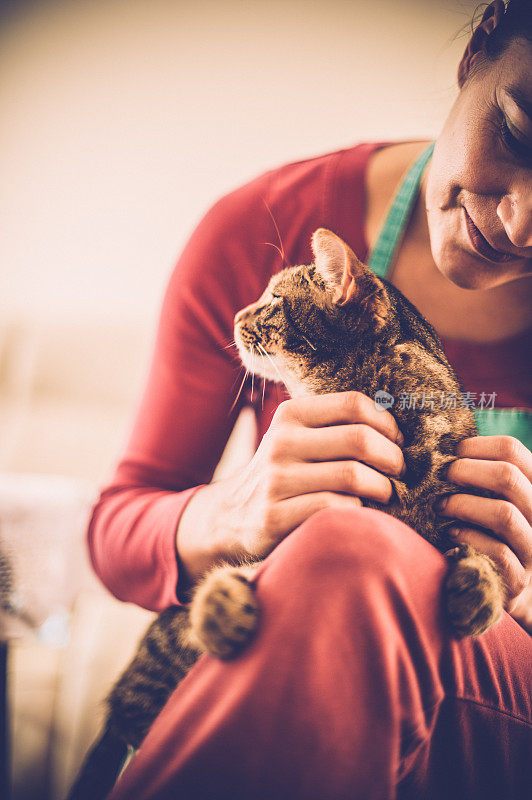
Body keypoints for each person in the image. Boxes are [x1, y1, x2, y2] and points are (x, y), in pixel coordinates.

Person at [88, 1, 532, 797]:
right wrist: (228, 513)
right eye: (521, 132)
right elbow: (115, 531)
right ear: (475, 57)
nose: (521, 221)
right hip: (313, 647)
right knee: (343, 563)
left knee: (351, 557)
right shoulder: (266, 226)